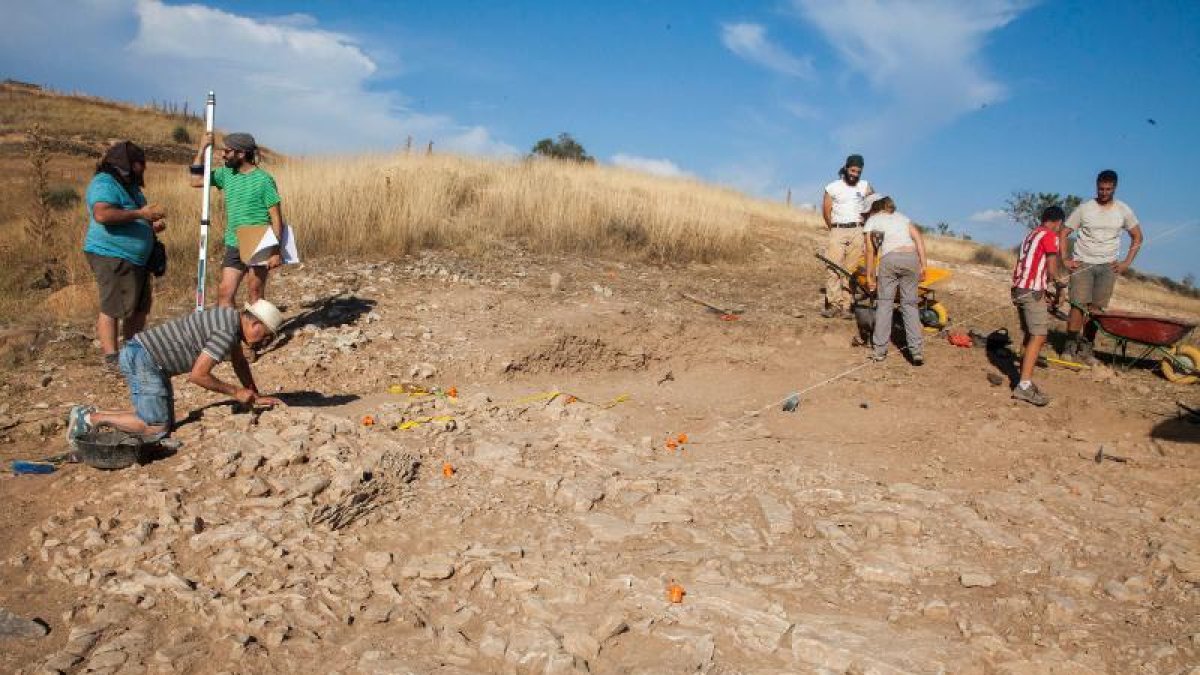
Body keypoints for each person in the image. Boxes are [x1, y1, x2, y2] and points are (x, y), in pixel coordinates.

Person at [66, 299, 284, 445]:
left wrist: (254, 392)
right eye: (265, 336)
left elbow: (239, 362)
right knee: (155, 427)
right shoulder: (227, 332)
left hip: (145, 356)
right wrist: (236, 392)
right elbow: (198, 375)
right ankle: (88, 419)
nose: (264, 343)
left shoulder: (229, 319)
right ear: (255, 323)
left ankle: (89, 413)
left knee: (161, 420)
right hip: (145, 359)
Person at [83, 141, 166, 373]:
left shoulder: (131, 188)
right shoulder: (104, 183)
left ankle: (133, 351)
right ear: (127, 165)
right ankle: (112, 358)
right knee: (114, 305)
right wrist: (141, 213)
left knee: (139, 307)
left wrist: (150, 224)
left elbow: (132, 217)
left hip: (138, 259)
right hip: (112, 254)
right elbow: (102, 214)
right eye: (139, 165)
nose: (142, 171)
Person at [189, 132, 284, 310]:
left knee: (255, 292)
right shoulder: (226, 174)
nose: (223, 154)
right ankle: (230, 334)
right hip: (234, 241)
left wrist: (275, 251)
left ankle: (256, 334)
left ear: (241, 154)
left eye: (227, 150)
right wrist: (202, 149)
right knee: (225, 292)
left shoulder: (264, 180)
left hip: (259, 241)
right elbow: (195, 181)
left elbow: (277, 219)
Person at [1059, 169, 1143, 362]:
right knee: (1077, 306)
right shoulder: (1084, 208)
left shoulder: (1123, 210)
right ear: (1096, 186)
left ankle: (1086, 349)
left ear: (1115, 188)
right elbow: (1063, 232)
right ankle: (1069, 346)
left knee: (1096, 310)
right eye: (1101, 188)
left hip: (1107, 267)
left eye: (1108, 189)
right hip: (1082, 264)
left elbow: (1138, 236)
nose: (1104, 192)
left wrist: (1126, 263)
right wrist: (1065, 259)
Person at [1010, 206, 1066, 406]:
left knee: (1029, 333)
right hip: (1030, 291)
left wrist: (1045, 290)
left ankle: (1024, 376)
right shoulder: (1050, 236)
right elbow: (1052, 269)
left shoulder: (1031, 235)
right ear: (1058, 222)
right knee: (1039, 335)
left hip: (1020, 288)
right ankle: (1024, 386)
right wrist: (1061, 287)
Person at [862, 195, 927, 364]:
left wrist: (869, 276)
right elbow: (918, 239)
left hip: (890, 259)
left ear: (873, 207)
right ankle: (916, 351)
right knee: (910, 304)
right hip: (911, 258)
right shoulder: (902, 218)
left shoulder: (873, 220)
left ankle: (880, 351)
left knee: (885, 304)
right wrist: (924, 265)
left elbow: (870, 251)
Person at [821, 154, 873, 319]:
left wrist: (867, 227)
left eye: (858, 172)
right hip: (837, 230)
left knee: (851, 270)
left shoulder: (865, 186)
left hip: (858, 230)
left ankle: (847, 306)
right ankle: (833, 304)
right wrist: (834, 229)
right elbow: (826, 210)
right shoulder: (832, 187)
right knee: (833, 267)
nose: (855, 175)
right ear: (846, 167)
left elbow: (874, 206)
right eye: (852, 170)